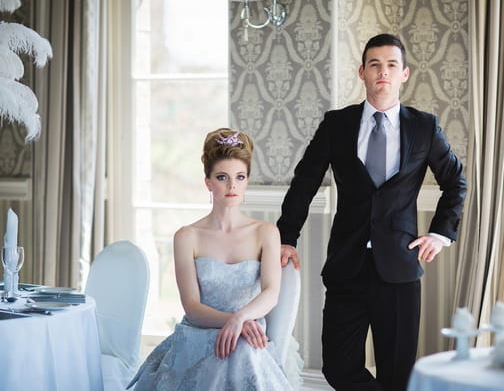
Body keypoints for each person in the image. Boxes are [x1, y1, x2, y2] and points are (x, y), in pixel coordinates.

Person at [277, 33, 467, 391]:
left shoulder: (423, 127)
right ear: (362, 72)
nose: (383, 72)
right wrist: (287, 237)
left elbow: (456, 181)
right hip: (347, 267)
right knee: (337, 367)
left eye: (392, 65)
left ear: (404, 74)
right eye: (375, 65)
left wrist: (440, 234)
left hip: (399, 268)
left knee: (397, 375)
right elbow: (304, 183)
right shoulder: (337, 124)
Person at [128, 128, 294, 390]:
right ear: (208, 182)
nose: (232, 186)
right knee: (229, 349)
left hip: (248, 331)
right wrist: (232, 322)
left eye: (240, 177)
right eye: (222, 177)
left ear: (247, 180)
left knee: (243, 351)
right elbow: (192, 307)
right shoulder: (187, 237)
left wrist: (241, 319)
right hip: (199, 334)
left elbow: (272, 292)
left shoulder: (266, 232)